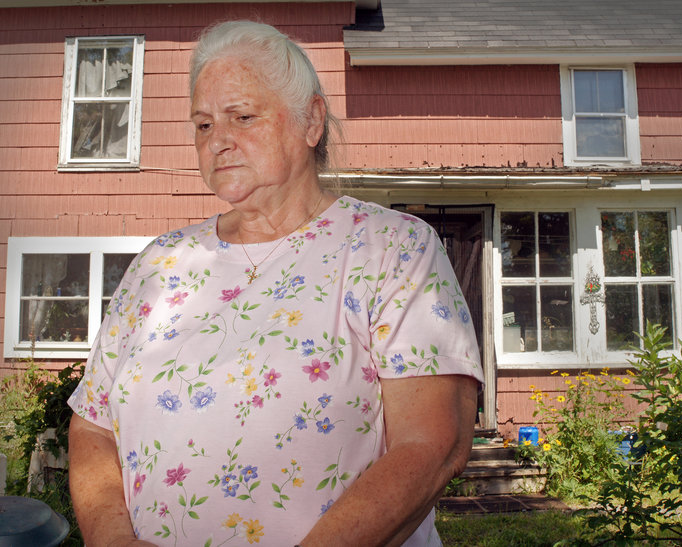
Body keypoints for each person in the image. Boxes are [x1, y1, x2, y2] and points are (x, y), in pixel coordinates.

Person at [67, 20, 483, 547]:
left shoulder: (392, 250)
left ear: (311, 121)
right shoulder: (157, 265)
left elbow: (431, 444)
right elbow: (94, 424)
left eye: (242, 117)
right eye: (202, 125)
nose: (218, 141)